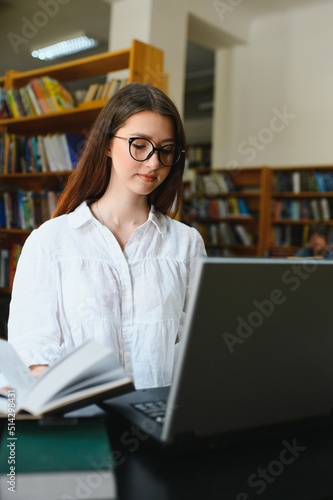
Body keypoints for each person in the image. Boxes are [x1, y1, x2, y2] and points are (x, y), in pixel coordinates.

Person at [7, 83, 206, 389]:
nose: (154, 162)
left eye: (166, 150)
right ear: (107, 144)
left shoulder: (186, 244)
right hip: (83, 423)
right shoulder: (50, 241)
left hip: (164, 420)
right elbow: (31, 354)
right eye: (139, 144)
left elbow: (202, 345)